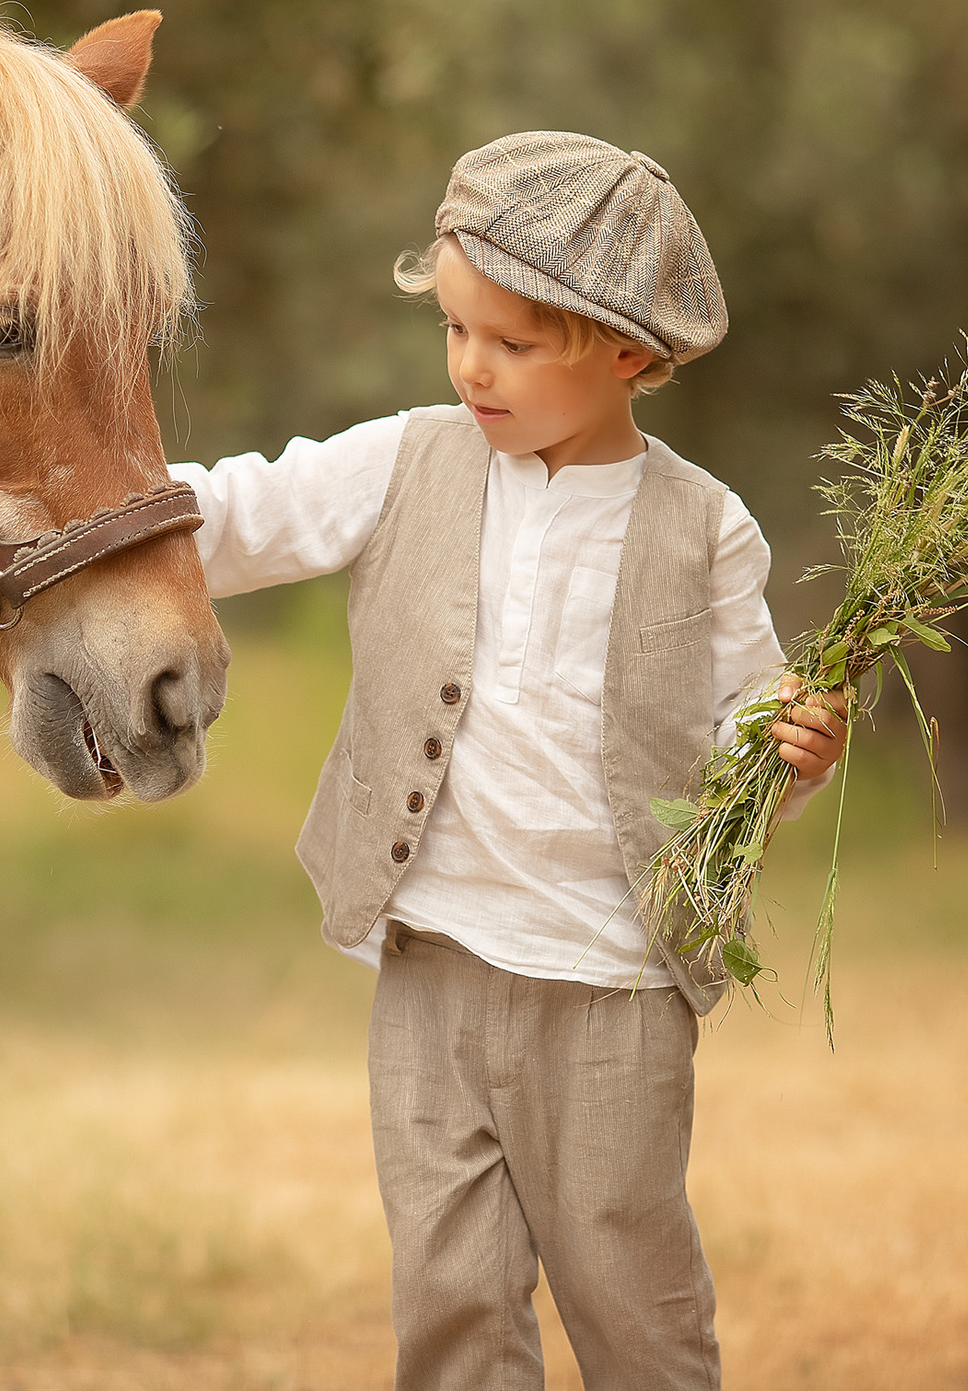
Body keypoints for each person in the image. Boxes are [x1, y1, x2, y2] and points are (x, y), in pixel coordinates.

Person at [169, 132, 848, 1390]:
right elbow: (244, 510)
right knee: (449, 1300)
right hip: (429, 966)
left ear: (631, 353)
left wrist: (797, 750)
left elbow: (749, 744)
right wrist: (86, 513)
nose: (471, 366)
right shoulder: (409, 458)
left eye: (514, 344)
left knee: (629, 1295)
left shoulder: (706, 530)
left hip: (610, 983)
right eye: (456, 330)